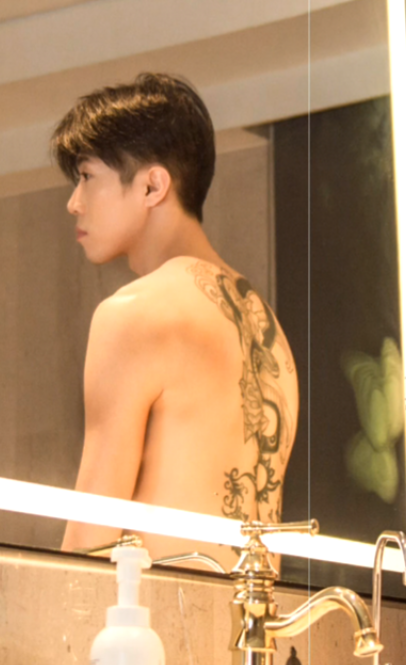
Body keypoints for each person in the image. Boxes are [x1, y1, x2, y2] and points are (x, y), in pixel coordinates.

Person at [52, 73, 298, 568]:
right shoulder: (267, 330)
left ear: (152, 185)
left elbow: (88, 542)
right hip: (253, 610)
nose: (73, 202)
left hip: (156, 612)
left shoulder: (134, 314)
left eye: (87, 176)